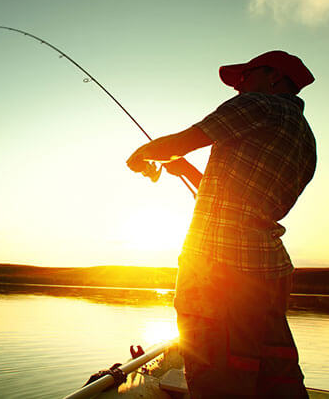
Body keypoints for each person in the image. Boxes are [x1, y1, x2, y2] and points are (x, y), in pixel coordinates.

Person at [126, 51, 316, 398]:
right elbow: (242, 201)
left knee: (216, 372)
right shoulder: (305, 137)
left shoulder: (258, 105)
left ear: (273, 77)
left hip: (219, 268)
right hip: (270, 272)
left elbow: (183, 141)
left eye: (245, 78)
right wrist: (185, 170)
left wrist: (142, 154)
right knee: (274, 371)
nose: (239, 87)